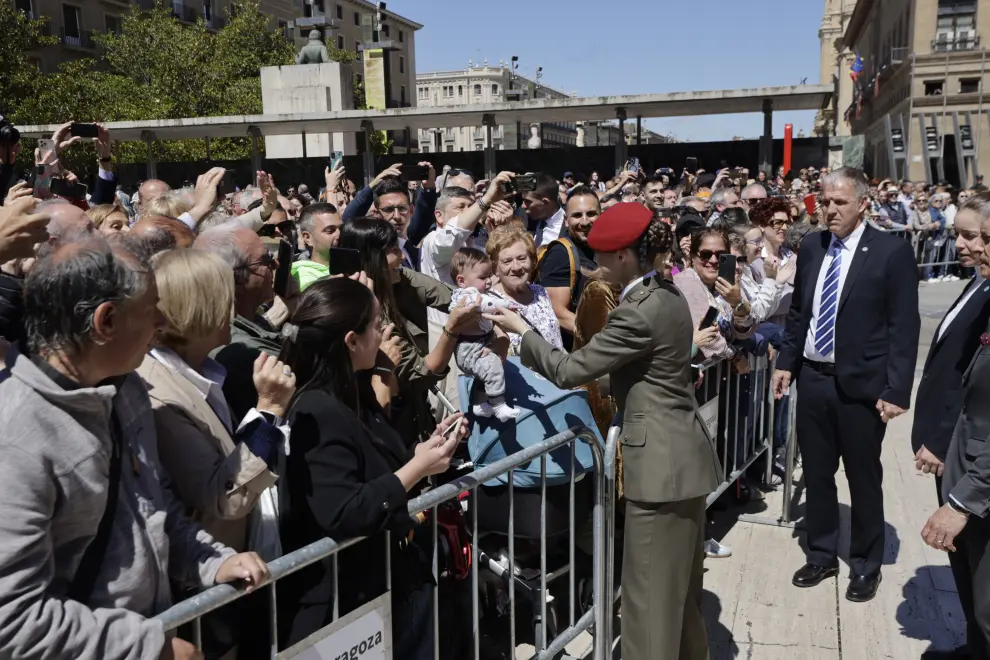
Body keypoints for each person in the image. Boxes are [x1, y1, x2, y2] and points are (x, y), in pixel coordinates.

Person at [0, 235, 269, 659]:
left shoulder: (127, 393)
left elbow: (154, 507)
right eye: (151, 309)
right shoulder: (15, 438)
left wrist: (211, 559)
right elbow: (12, 622)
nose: (163, 322)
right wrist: (150, 647)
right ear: (106, 321)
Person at [485, 202, 721, 660]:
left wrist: (522, 330)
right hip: (683, 462)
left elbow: (571, 368)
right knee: (680, 603)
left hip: (658, 473)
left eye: (603, 257)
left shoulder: (636, 311)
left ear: (626, 257)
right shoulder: (664, 293)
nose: (594, 268)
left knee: (647, 607)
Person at [275, 277, 470, 660]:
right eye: (377, 323)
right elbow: (344, 510)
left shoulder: (355, 391)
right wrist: (417, 467)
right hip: (353, 604)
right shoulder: (316, 409)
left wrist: (428, 450)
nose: (385, 331)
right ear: (351, 340)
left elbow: (380, 463)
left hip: (394, 581)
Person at [773, 167, 920, 603]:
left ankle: (866, 563)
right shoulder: (813, 245)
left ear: (862, 204)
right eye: (824, 201)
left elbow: (904, 327)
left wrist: (896, 390)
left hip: (862, 387)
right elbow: (800, 311)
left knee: (862, 477)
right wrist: (787, 362)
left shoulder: (890, 253)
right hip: (815, 381)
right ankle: (820, 554)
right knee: (817, 474)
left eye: (839, 202)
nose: (829, 210)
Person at [913, 192, 990, 660]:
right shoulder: (980, 285)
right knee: (973, 591)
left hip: (978, 480)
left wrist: (963, 500)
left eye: (974, 236)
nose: (968, 247)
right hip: (964, 461)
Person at [338, 218, 479, 444]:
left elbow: (451, 297)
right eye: (394, 251)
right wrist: (452, 328)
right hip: (380, 422)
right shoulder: (362, 312)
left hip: (412, 414)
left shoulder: (400, 278)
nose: (403, 257)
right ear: (372, 259)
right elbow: (422, 372)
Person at [196, 225, 284, 424]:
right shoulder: (241, 351)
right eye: (266, 260)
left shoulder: (250, 317)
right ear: (235, 278)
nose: (276, 264)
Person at [448, 248, 520, 421]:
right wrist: (505, 305)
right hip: (469, 348)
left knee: (489, 371)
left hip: (484, 341)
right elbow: (486, 305)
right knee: (492, 366)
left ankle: (480, 403)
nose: (488, 281)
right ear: (461, 280)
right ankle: (499, 405)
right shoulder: (464, 297)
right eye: (483, 277)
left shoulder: (482, 294)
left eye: (489, 276)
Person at [673, 228, 758, 363]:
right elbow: (707, 338)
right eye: (706, 254)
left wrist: (737, 303)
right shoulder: (685, 282)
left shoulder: (726, 283)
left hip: (721, 373)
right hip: (695, 372)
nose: (713, 260)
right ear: (693, 256)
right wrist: (736, 356)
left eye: (720, 255)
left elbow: (748, 329)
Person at [539, 185, 601, 350]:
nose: (585, 221)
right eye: (577, 215)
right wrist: (604, 341)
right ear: (566, 220)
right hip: (578, 354)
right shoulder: (560, 253)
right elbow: (558, 313)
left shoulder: (606, 248)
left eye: (591, 214)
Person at [485, 224, 564, 354]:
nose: (516, 267)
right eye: (507, 261)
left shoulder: (540, 292)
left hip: (555, 371)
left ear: (533, 261)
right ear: (495, 268)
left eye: (522, 258)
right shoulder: (489, 303)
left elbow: (555, 340)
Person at [749, 197, 797, 328]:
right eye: (778, 223)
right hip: (765, 330)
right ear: (761, 225)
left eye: (786, 223)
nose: (784, 228)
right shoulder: (754, 261)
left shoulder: (792, 257)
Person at [292, 202, 342, 290]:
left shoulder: (351, 265)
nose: (339, 234)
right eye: (330, 230)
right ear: (308, 238)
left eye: (341, 228)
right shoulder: (304, 277)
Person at [522, 173, 565, 247]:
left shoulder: (567, 228)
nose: (523, 206)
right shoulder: (525, 219)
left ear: (545, 202)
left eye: (528, 202)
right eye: (523, 200)